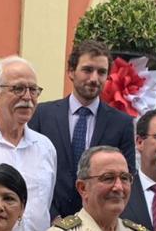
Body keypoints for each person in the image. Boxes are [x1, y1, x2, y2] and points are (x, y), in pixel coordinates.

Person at [29, 39, 136, 219]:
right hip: (47, 221)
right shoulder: (42, 114)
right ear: (71, 71)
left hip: (97, 224)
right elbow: (31, 169)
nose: (94, 78)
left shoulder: (121, 123)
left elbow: (126, 176)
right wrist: (52, 216)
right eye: (87, 70)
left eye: (101, 72)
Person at [0, 56, 56, 231]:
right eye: (18, 89)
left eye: (33, 90)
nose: (27, 97)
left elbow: (45, 205)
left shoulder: (45, 147)